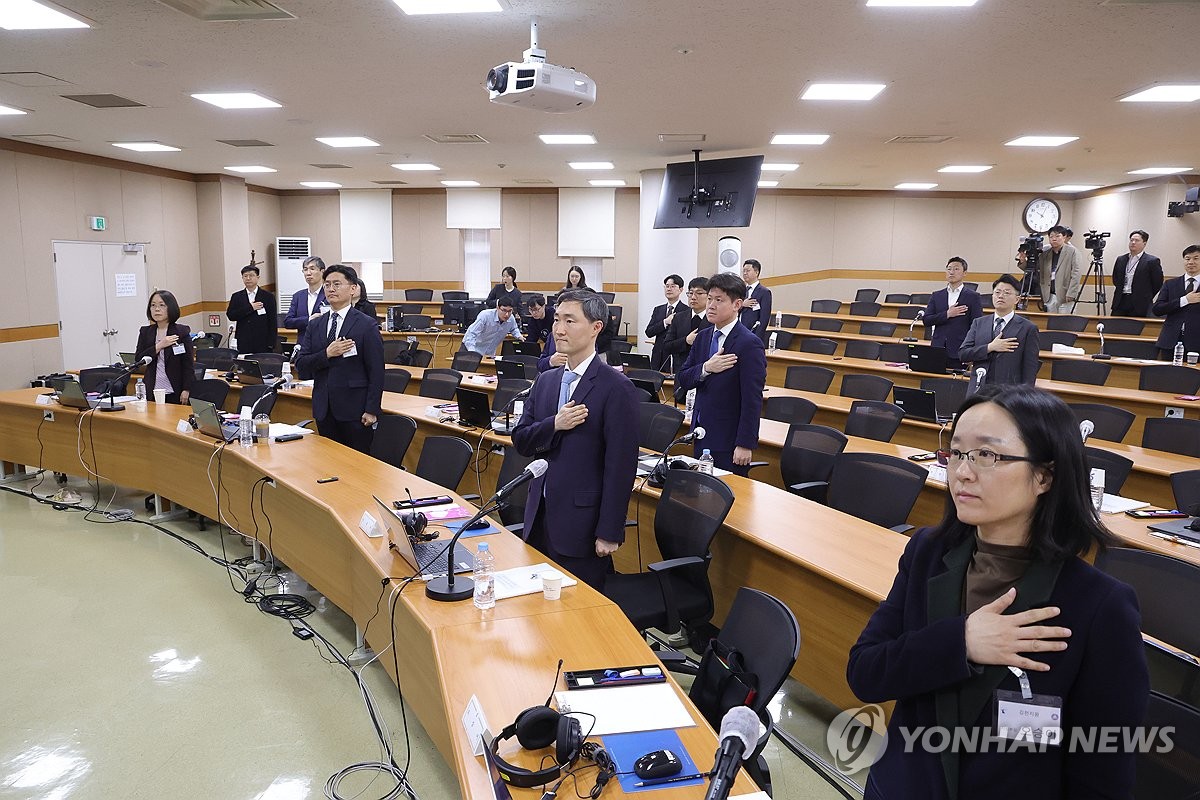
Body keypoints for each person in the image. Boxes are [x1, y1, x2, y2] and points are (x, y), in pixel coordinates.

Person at [847, 385, 1148, 800]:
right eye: (957, 453)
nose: (963, 472)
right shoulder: (929, 553)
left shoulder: (1098, 606)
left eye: (987, 455)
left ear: (1045, 475)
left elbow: (1103, 772)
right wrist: (961, 642)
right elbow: (865, 673)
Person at [511, 289, 638, 590]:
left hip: (582, 524)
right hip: (539, 516)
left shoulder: (616, 387)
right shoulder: (547, 380)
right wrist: (554, 424)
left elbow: (620, 466)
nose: (558, 329)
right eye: (557, 319)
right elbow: (522, 440)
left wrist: (610, 530)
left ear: (596, 327)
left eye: (570, 320)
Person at [675, 272, 767, 476]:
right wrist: (706, 368)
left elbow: (752, 398)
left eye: (719, 300)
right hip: (701, 432)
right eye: (709, 299)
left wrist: (745, 443)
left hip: (729, 439)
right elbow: (683, 378)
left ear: (737, 305)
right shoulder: (703, 337)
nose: (711, 305)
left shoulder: (749, 344)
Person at [295, 264, 385, 454]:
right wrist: (327, 354)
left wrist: (372, 409)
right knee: (329, 462)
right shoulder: (316, 324)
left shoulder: (366, 325)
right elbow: (302, 365)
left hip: (355, 410)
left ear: (353, 289)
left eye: (337, 284)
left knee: (358, 466)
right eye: (327, 285)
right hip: (324, 408)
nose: (331, 289)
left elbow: (376, 371)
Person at [958, 275, 1040, 389]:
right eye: (997, 292)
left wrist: (1025, 397)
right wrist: (989, 347)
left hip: (1009, 392)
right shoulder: (979, 323)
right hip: (978, 389)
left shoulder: (1028, 328)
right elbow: (963, 354)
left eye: (1007, 293)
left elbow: (1029, 369)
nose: (1001, 296)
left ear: (1017, 299)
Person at [133, 289, 194, 404]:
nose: (157, 309)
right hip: (152, 389)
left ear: (170, 307)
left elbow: (188, 364)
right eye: (153, 305)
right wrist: (160, 345)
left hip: (175, 389)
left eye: (162, 305)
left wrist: (187, 389)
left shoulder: (181, 332)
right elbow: (139, 359)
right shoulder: (146, 332)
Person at [923, 257, 984, 368]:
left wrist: (972, 351)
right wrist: (947, 314)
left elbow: (977, 326)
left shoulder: (973, 297)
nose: (951, 272)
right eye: (949, 269)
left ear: (964, 273)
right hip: (938, 348)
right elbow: (926, 320)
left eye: (956, 269)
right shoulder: (937, 295)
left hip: (960, 349)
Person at [1152, 243, 1200, 359]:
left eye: (1196, 258)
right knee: (1168, 375)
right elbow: (1157, 309)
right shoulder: (1170, 284)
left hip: (1197, 343)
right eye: (1187, 259)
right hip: (1170, 341)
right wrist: (1184, 300)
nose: (1191, 262)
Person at [660, 277, 711, 380]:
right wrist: (686, 341)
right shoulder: (679, 317)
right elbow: (667, 346)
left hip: (705, 376)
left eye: (699, 293)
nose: (693, 297)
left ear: (709, 296)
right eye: (690, 293)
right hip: (681, 374)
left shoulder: (714, 319)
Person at [1023, 225, 1080, 313]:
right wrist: (1023, 261)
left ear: (1064, 237)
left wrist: (1072, 293)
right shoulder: (1045, 254)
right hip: (1049, 295)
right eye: (1051, 237)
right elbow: (1035, 270)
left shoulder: (1072, 252)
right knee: (1049, 322)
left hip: (1065, 295)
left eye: (1057, 236)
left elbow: (1076, 274)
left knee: (1066, 323)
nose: (1054, 239)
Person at [226, 263, 277, 355]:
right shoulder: (237, 296)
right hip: (243, 341)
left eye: (251, 275)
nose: (248, 278)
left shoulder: (268, 297)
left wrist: (271, 343)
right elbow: (231, 315)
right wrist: (250, 308)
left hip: (263, 342)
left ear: (258, 277)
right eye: (245, 276)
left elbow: (272, 321)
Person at [1112, 230, 1163, 318]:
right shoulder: (1121, 259)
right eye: (1131, 240)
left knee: (1136, 328)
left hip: (1140, 303)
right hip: (1121, 300)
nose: (1133, 242)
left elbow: (1157, 283)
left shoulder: (1151, 261)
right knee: (1114, 327)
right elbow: (1116, 279)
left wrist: (1145, 295)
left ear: (1144, 243)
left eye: (1137, 240)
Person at [644, 274, 685, 370]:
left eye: (673, 286)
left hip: (676, 357)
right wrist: (665, 322)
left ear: (681, 289)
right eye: (667, 286)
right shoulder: (658, 309)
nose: (669, 289)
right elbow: (649, 332)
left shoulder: (686, 310)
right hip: (658, 356)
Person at [282, 256, 328, 334]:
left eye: (312, 269)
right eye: (305, 269)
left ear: (322, 271)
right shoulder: (298, 296)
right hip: (302, 343)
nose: (308, 273)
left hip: (323, 342)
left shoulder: (329, 294)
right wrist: (309, 319)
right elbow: (288, 322)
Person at [738, 259, 773, 345]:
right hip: (738, 330)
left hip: (752, 333)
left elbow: (764, 319)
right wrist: (742, 304)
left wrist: (756, 338)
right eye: (744, 271)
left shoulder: (764, 292)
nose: (745, 273)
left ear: (756, 272)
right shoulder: (741, 290)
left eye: (748, 271)